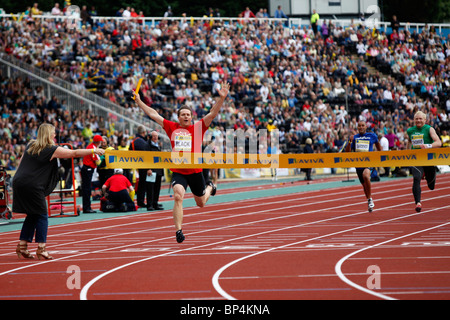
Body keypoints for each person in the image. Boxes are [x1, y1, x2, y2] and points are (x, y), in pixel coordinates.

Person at [133, 82, 230, 243]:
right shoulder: (172, 127)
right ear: (178, 118)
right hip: (179, 171)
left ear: (191, 117)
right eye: (183, 114)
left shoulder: (198, 127)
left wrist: (221, 99)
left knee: (201, 203)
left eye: (188, 114)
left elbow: (212, 114)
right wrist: (139, 101)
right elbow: (153, 114)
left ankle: (210, 187)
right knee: (178, 196)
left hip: (195, 171)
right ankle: (178, 230)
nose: (186, 116)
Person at [13, 123, 105, 260]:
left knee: (32, 214)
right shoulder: (51, 149)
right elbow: (73, 153)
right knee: (42, 215)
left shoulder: (30, 145)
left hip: (19, 181)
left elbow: (21, 164)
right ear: (48, 135)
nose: (55, 135)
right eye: (54, 133)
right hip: (32, 184)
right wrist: (93, 151)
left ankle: (22, 246)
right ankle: (41, 248)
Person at [406, 111, 442, 212]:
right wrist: (406, 155)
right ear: (414, 120)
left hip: (428, 159)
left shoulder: (429, 129)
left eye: (420, 119)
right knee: (416, 178)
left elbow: (438, 142)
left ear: (425, 120)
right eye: (416, 119)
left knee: (431, 186)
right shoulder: (410, 131)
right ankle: (418, 203)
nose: (418, 120)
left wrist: (428, 146)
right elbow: (409, 142)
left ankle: (428, 174)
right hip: (416, 159)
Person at [346, 121, 381, 212]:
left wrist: (380, 158)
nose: (361, 127)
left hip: (369, 163)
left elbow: (379, 148)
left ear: (366, 127)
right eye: (359, 126)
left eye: (363, 125)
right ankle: (369, 200)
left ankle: (369, 199)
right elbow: (348, 153)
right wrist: (349, 142)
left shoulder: (372, 136)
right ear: (357, 128)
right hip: (358, 165)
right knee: (364, 185)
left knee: (366, 175)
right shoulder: (354, 138)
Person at [81, 134, 104, 213]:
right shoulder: (93, 148)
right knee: (87, 189)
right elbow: (98, 162)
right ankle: (87, 208)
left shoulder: (90, 146)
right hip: (88, 169)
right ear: (99, 142)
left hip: (86, 168)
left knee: (86, 188)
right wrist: (103, 157)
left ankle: (86, 207)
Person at [131, 125, 151, 209]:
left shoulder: (134, 140)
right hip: (142, 164)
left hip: (134, 164)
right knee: (142, 184)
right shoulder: (141, 141)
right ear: (143, 133)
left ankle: (140, 201)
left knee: (140, 184)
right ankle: (141, 201)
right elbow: (146, 153)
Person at [147, 130, 164, 211]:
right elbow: (145, 158)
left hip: (158, 170)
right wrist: (148, 169)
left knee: (157, 188)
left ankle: (155, 203)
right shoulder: (147, 146)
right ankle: (149, 204)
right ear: (150, 137)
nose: (155, 138)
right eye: (154, 136)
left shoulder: (159, 146)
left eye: (156, 136)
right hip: (151, 170)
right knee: (150, 188)